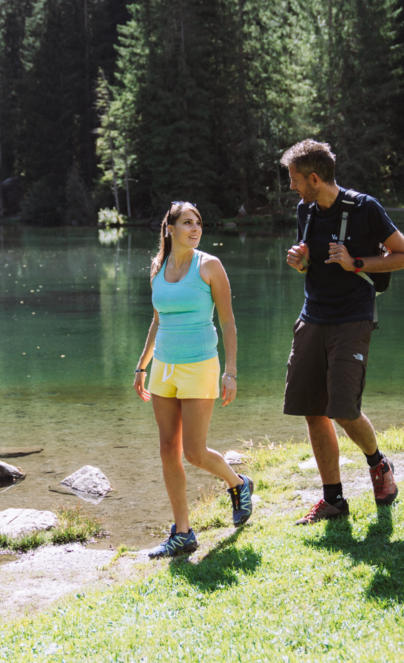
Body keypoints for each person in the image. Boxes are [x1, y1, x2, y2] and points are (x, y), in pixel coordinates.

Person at [281, 140, 404, 525]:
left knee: (342, 409)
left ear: (314, 178)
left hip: (353, 317)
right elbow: (311, 263)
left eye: (295, 179)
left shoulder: (364, 208)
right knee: (312, 409)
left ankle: (378, 464)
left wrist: (356, 262)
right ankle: (334, 500)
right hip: (312, 316)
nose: (291, 186)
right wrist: (301, 262)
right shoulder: (305, 210)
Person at [133, 201, 253, 558]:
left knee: (195, 452)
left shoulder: (209, 266)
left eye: (198, 222)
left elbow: (228, 321)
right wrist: (142, 367)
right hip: (163, 369)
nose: (195, 228)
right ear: (170, 229)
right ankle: (183, 532)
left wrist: (230, 372)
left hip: (200, 365)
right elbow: (158, 320)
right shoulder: (157, 267)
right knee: (168, 449)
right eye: (187, 222)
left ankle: (238, 483)